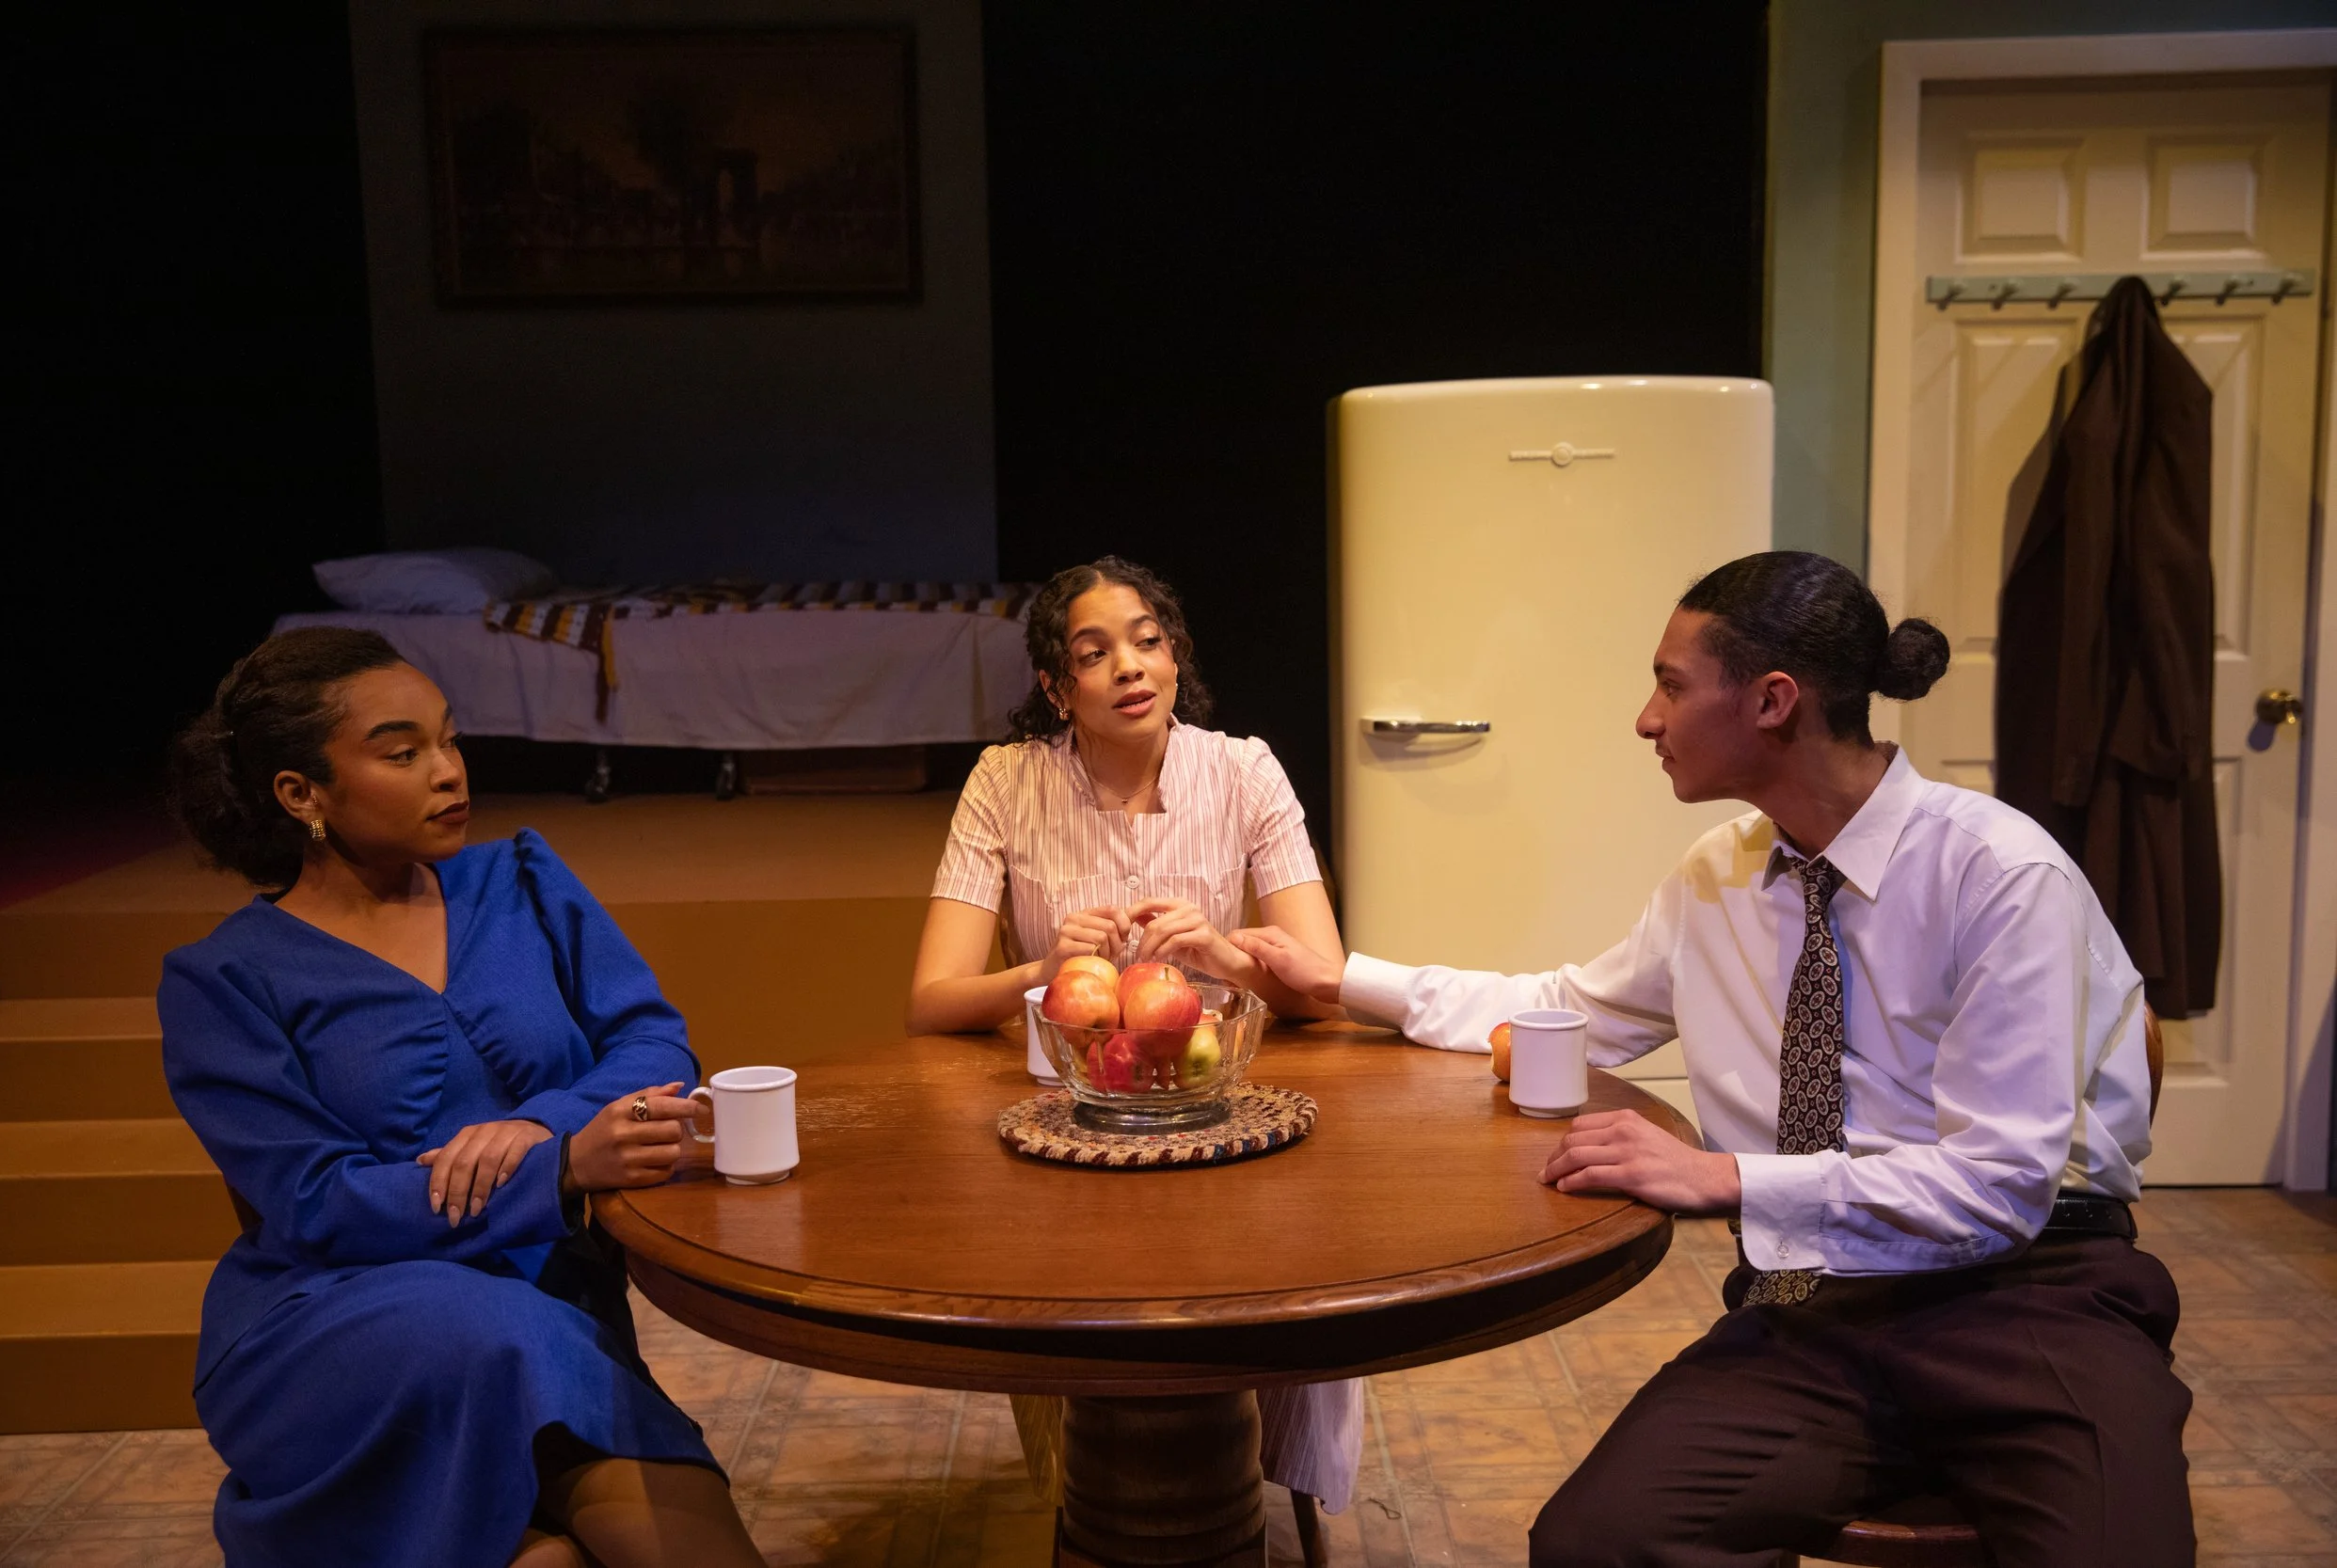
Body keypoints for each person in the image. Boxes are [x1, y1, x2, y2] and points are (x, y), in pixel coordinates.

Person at [1234, 551, 2188, 1568]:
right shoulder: (1719, 874)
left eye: (1671, 684)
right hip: (1813, 1305)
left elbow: (2000, 1186)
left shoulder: (1998, 875)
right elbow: (1563, 1011)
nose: (1647, 718)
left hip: (2033, 1291)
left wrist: (1723, 1176)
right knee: (1597, 1541)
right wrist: (1338, 980)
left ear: (1773, 700)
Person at [159, 627, 769, 1568]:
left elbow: (654, 1042)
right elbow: (315, 1202)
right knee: (500, 1340)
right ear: (301, 793)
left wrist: (540, 1123)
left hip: (540, 1299)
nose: (448, 770)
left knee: (542, 1507)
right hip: (337, 1313)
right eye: (403, 753)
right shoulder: (225, 979)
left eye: (450, 738)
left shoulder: (520, 879)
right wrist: (555, 1168)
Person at [906, 557, 1363, 1520]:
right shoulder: (1006, 781)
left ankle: (1225, 1487)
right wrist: (1037, 973)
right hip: (1067, 1122)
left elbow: (1325, 987)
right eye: (1095, 650)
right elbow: (931, 1001)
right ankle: (1115, 1490)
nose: (1129, 665)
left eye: (1148, 641)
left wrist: (1225, 955)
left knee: (1291, 1252)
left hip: (1224, 1112)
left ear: (1174, 656)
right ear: (1053, 686)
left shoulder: (1242, 769)